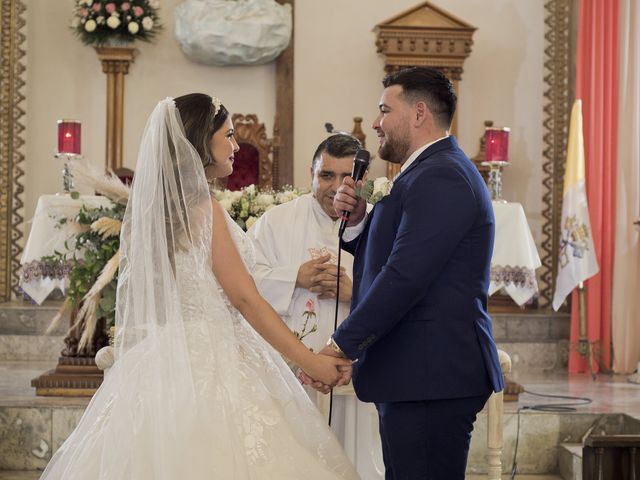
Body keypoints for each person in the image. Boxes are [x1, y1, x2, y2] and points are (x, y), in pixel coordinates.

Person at [39, 94, 359, 480]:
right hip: (214, 357)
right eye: (227, 135)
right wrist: (311, 362)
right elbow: (244, 298)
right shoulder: (204, 209)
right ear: (201, 143)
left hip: (167, 354)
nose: (237, 145)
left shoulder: (163, 210)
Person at [318, 67, 505, 479]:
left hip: (431, 374)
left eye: (385, 110)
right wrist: (360, 220)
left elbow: (404, 277)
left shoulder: (443, 176)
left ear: (419, 113)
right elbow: (392, 257)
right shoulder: (425, 172)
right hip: (419, 370)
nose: (375, 123)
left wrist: (340, 346)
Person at [247, 134, 364, 444]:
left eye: (347, 177)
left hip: (352, 373)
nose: (337, 187)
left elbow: (398, 293)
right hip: (289, 372)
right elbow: (243, 286)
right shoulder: (275, 223)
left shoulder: (375, 226)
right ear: (310, 174)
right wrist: (295, 278)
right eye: (326, 175)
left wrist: (355, 293)